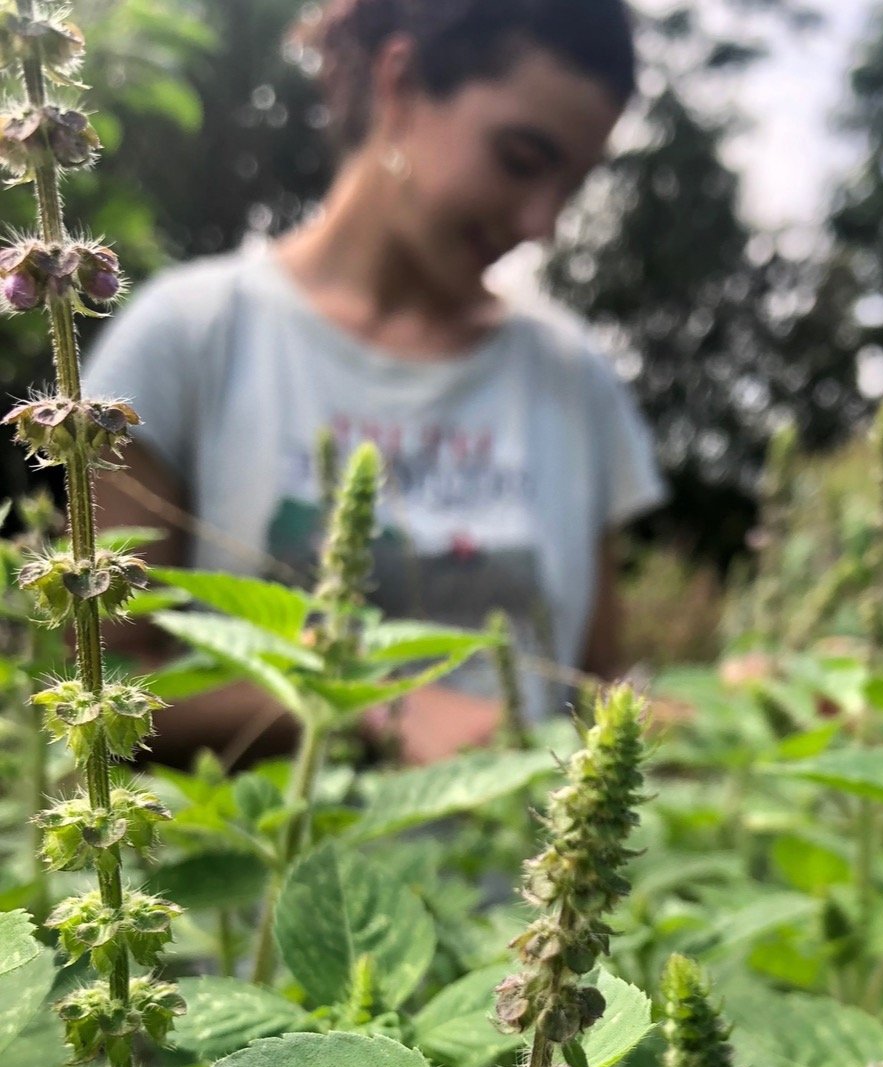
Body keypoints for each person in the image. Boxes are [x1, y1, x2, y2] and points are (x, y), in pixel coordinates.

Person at [86, 0, 664, 764]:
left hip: (524, 877)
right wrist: (360, 703)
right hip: (261, 866)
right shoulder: (189, 335)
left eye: (573, 185)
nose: (542, 222)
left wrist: (738, 711)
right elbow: (95, 685)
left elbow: (596, 683)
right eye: (522, 160)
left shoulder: (575, 377)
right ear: (402, 84)